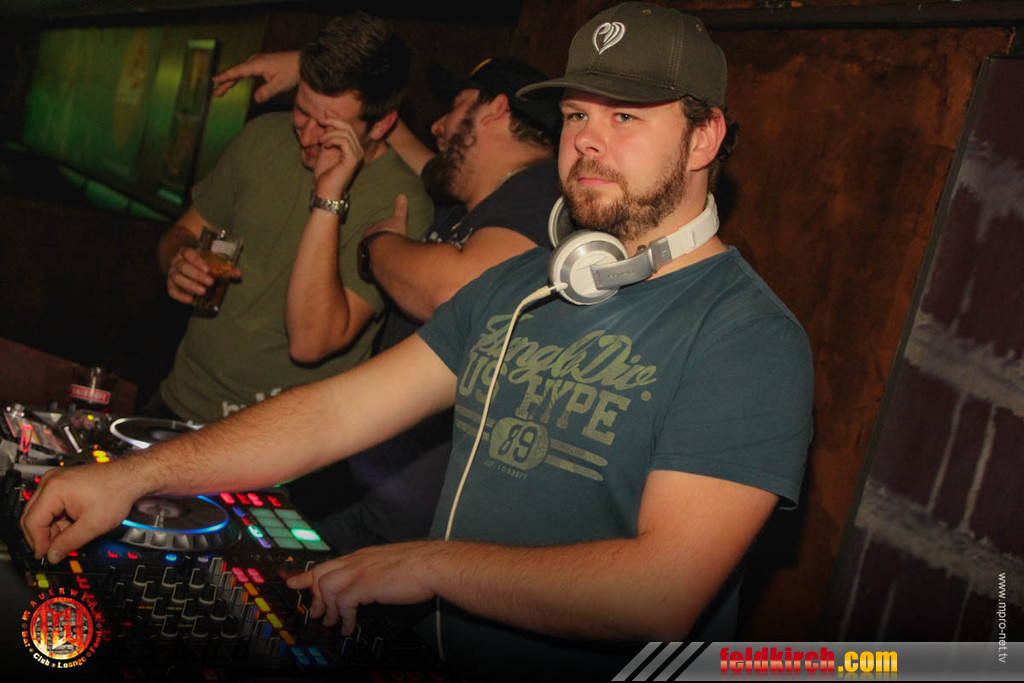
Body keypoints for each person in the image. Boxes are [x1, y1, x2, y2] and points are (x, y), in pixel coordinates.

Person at [23, 4, 814, 681]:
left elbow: (662, 592)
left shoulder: (747, 337)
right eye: (577, 115)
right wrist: (136, 475)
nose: (587, 142)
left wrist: (429, 562)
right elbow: (334, 413)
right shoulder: (521, 285)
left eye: (625, 117)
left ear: (704, 137)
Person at [215, 52, 563, 552]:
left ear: (494, 109)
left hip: (410, 529)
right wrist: (315, 71)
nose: (438, 125)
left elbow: (455, 293)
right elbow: (394, 135)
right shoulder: (472, 205)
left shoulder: (541, 191)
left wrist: (378, 246)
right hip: (366, 491)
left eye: (455, 107)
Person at [148, 12, 433, 424]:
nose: (308, 135)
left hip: (281, 435)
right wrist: (178, 259)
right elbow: (183, 231)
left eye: (330, 126)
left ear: (383, 124)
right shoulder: (262, 136)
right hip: (181, 398)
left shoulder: (401, 202)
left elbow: (311, 342)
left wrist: (328, 198)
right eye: (301, 111)